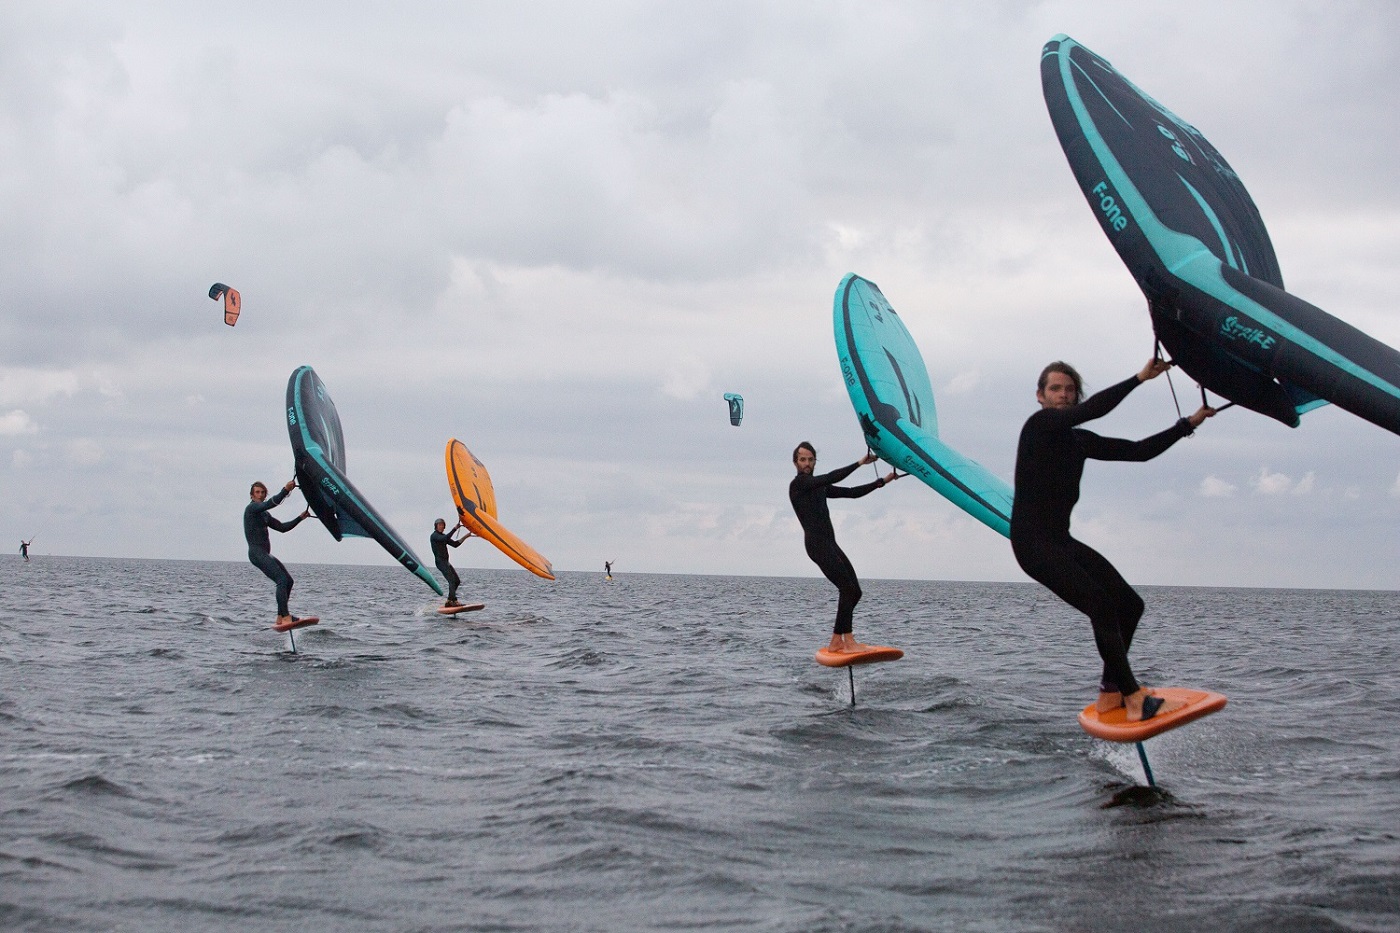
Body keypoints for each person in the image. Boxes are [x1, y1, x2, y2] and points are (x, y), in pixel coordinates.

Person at [1011, 358, 1215, 722]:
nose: (1063, 395)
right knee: (1102, 607)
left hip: (1060, 541)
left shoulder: (1079, 441)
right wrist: (1139, 378)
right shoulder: (1038, 426)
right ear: (1040, 396)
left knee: (1130, 605)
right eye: (1055, 389)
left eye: (1069, 390)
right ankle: (1133, 697)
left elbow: (1137, 451)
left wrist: (1186, 425)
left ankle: (1110, 693)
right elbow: (1094, 409)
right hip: (1033, 545)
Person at [789, 443, 900, 653]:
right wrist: (860, 462)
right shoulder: (799, 485)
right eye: (802, 460)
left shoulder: (818, 486)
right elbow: (832, 476)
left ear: (814, 461)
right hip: (817, 546)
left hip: (830, 544)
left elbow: (851, 492)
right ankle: (846, 641)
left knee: (855, 591)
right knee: (847, 589)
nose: (806, 463)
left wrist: (882, 482)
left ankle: (836, 641)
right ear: (796, 462)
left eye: (810, 459)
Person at [245, 480, 310, 626]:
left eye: (262, 492)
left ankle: (281, 616)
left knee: (288, 581)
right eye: (257, 492)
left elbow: (282, 527)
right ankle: (286, 616)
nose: (260, 495)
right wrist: (285, 490)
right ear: (251, 495)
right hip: (256, 553)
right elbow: (270, 504)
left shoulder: (264, 515)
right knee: (281, 580)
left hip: (264, 553)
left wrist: (300, 518)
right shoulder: (252, 509)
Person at [431, 518, 470, 607]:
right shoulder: (434, 536)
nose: (441, 527)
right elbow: (445, 538)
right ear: (436, 526)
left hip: (446, 562)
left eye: (442, 525)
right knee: (452, 581)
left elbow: (455, 544)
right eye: (439, 525)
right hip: (440, 562)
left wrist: (466, 536)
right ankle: (453, 601)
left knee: (457, 581)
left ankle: (450, 600)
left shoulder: (443, 537)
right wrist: (455, 529)